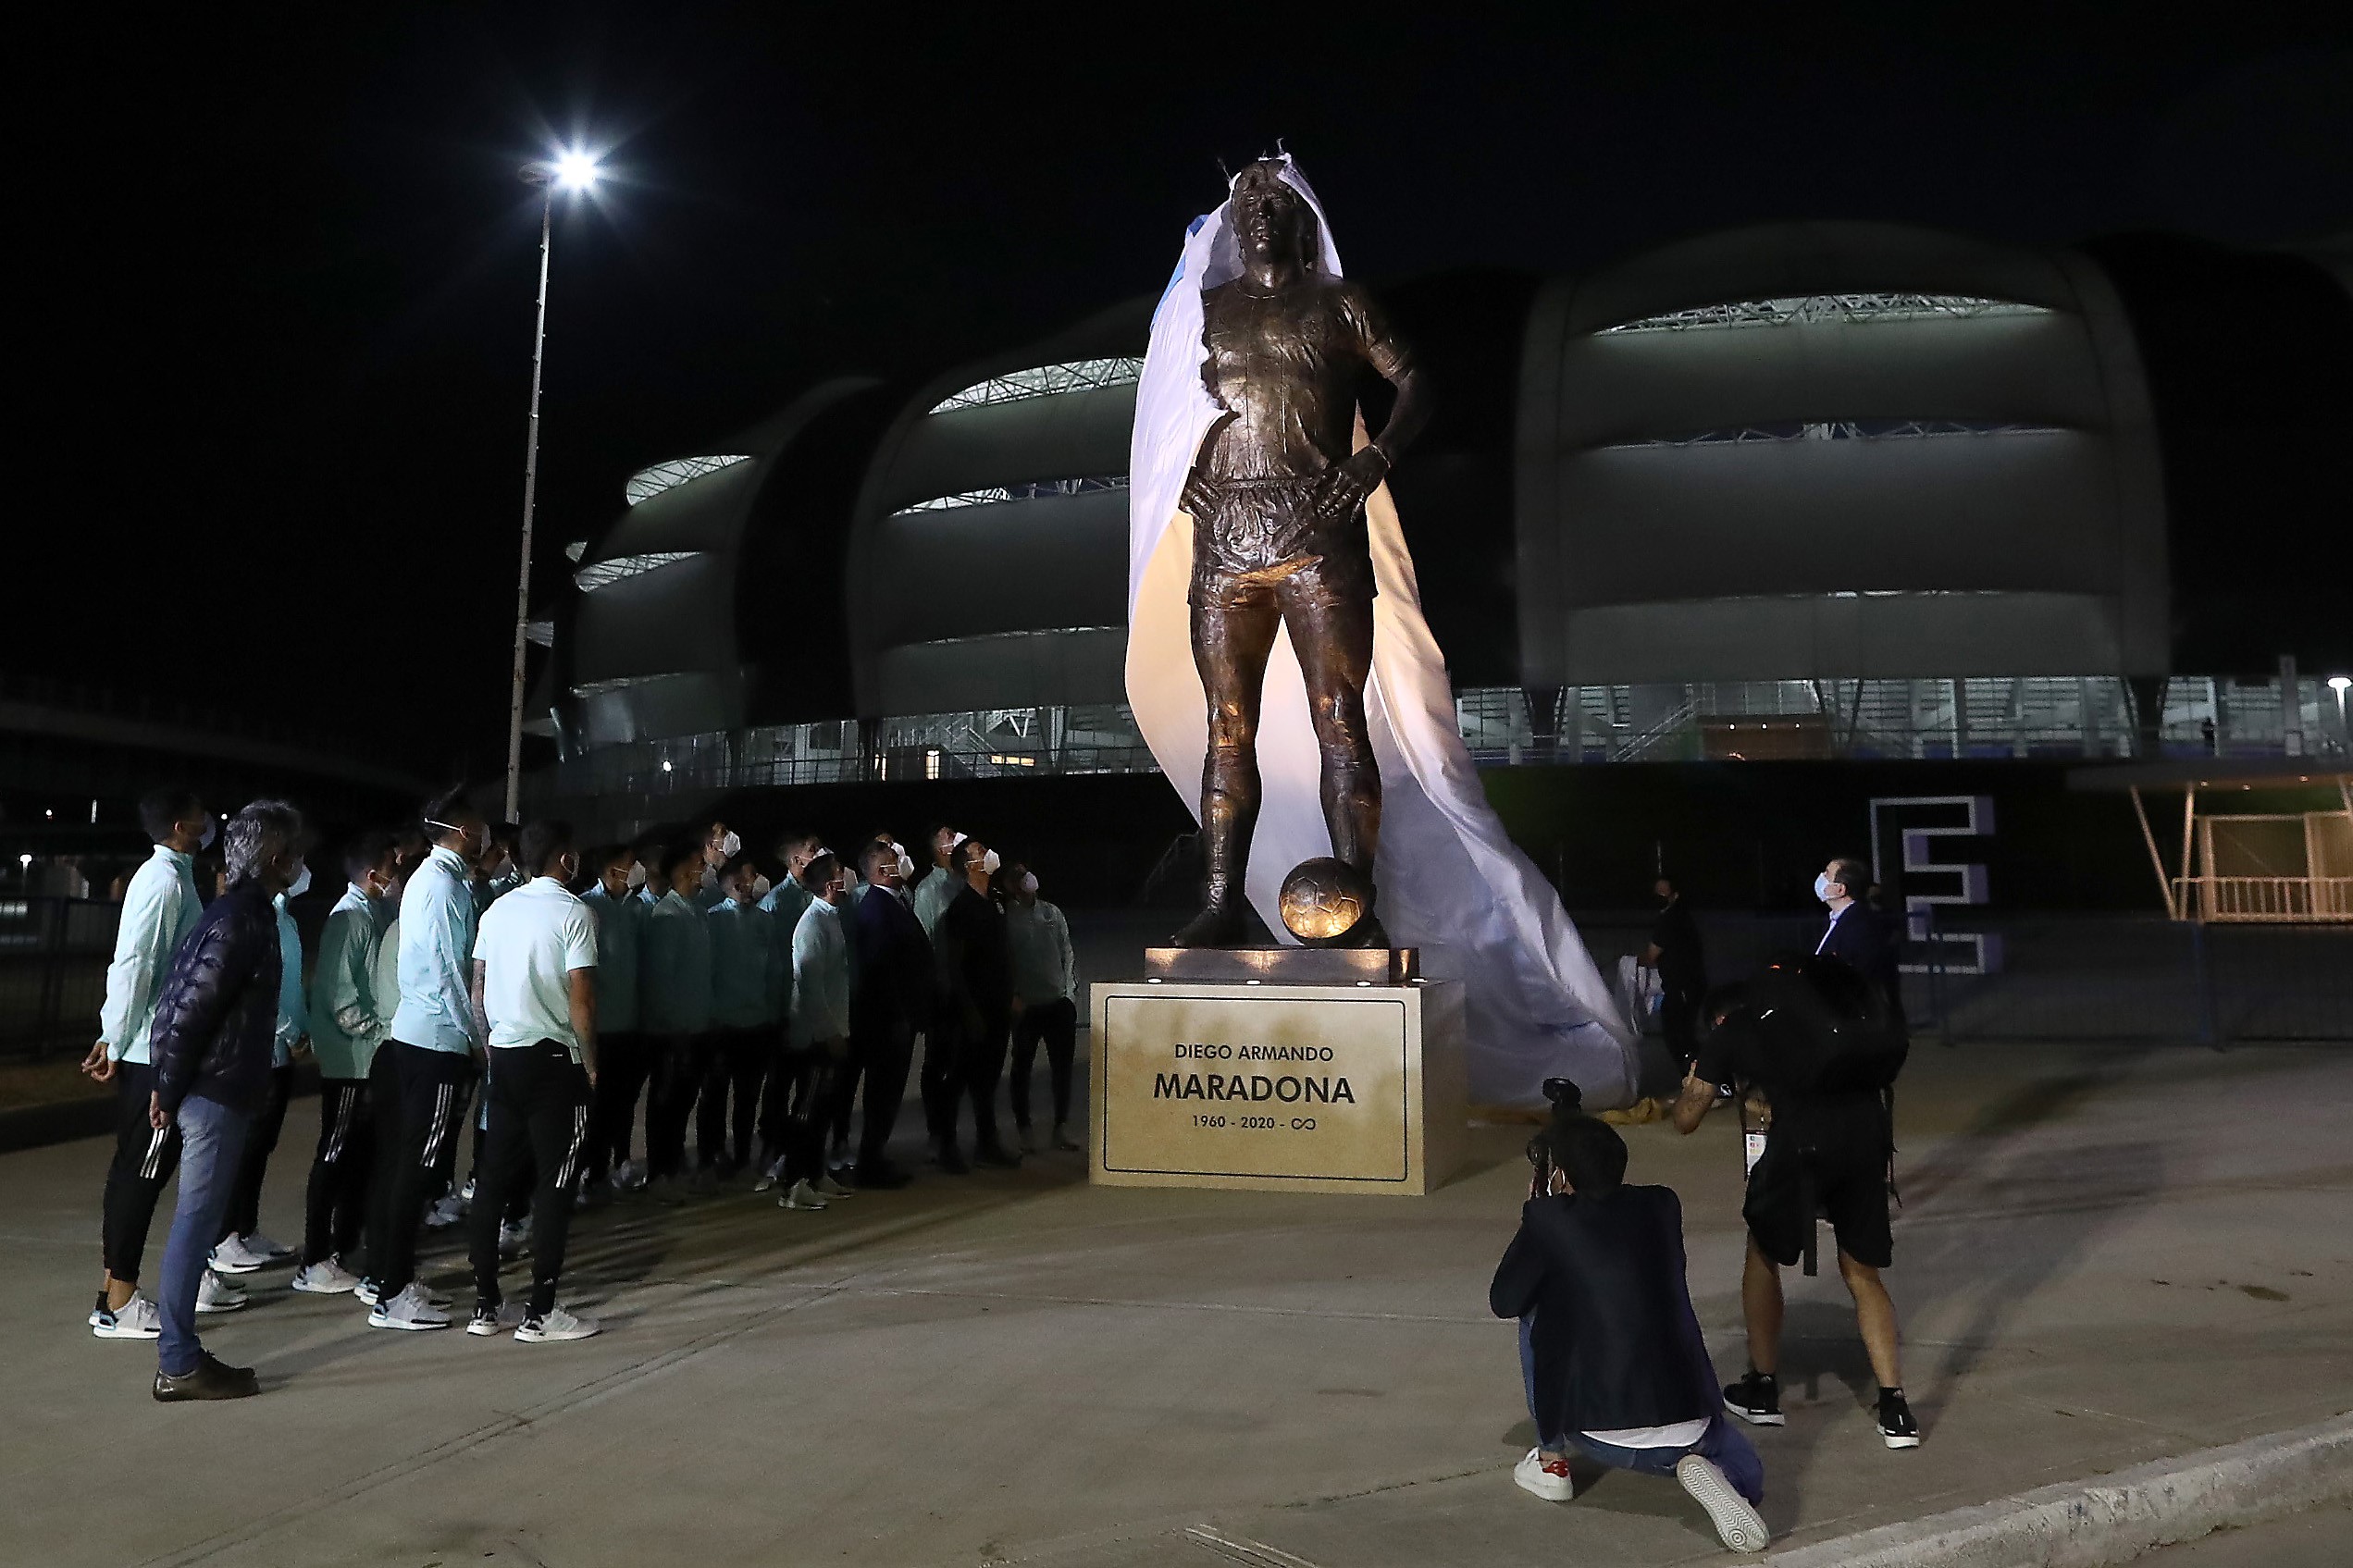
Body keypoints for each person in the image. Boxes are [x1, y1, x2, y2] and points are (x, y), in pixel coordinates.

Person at [1489, 1092, 1768, 1551]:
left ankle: (1552, 1460)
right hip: (1692, 1418)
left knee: (1535, 1306)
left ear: (1558, 1175)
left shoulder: (1548, 1219)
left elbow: (1504, 1299)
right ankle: (1724, 1479)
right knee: (1739, 1462)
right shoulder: (1662, 1205)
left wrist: (1538, 1212)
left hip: (1602, 1436)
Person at [1672, 944, 1918, 1451]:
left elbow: (1686, 1120)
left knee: (1762, 1249)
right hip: (1868, 1133)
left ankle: (1762, 1388)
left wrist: (1693, 1085)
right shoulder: (1809, 1019)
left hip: (1804, 1140)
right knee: (1861, 1272)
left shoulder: (1734, 1029)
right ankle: (1895, 1409)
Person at [145, 799, 307, 1401]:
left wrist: (169, 1080)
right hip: (214, 1091)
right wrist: (168, 1085)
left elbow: (180, 999)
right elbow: (189, 1007)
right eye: (293, 850)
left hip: (215, 1086)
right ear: (273, 857)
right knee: (196, 1220)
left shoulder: (238, 913)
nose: (300, 861)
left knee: (200, 1219)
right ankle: (179, 1360)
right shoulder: (241, 918)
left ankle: (180, 1355)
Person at [85, 787, 243, 1338]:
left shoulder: (172, 877)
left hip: (153, 1046)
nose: (208, 823)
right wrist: (112, 1036)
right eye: (202, 816)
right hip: (153, 1052)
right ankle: (120, 1301)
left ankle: (114, 1291)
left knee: (135, 1170)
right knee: (142, 1174)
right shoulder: (163, 882)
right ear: (181, 824)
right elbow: (135, 962)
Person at [465, 819, 601, 1343]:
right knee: (555, 1182)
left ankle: (485, 1305)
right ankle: (541, 1310)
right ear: (563, 858)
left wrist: (489, 1046)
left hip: (505, 1056)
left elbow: (477, 990)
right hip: (554, 1060)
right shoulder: (574, 913)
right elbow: (582, 999)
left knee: (493, 1180)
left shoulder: (498, 910)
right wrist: (590, 1062)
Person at [365, 790, 492, 1331]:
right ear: (462, 831)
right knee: (417, 1168)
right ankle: (391, 1291)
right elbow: (450, 972)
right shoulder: (441, 886)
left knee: (409, 1165)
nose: (485, 839)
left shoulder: (437, 881)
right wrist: (478, 1039)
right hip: (435, 1041)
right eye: (480, 830)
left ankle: (393, 1279)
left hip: (421, 1037)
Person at [293, 833, 396, 1294]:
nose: (397, 876)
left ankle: (340, 1245)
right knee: (334, 1155)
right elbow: (340, 995)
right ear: (372, 875)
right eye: (392, 869)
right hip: (348, 1060)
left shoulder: (367, 913)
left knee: (357, 1157)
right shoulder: (350, 918)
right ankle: (314, 1258)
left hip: (362, 1058)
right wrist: (377, 1031)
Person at [206, 875, 309, 1274]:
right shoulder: (261, 920)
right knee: (242, 1148)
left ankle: (245, 1229)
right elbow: (266, 986)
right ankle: (224, 1237)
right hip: (259, 1050)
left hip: (279, 1052)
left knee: (260, 1146)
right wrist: (291, 1029)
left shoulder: (283, 917)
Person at [845, 838, 931, 1189]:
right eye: (895, 860)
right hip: (887, 1021)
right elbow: (881, 970)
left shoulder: (893, 902)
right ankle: (870, 1162)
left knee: (888, 1091)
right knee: (884, 1091)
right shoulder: (878, 908)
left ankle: (874, 1156)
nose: (902, 862)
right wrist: (897, 1016)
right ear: (881, 871)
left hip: (897, 1016)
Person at [934, 837, 1019, 1168]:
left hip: (997, 1008)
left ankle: (987, 1143)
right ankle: (947, 1147)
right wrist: (968, 1011)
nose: (988, 854)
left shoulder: (995, 901)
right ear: (968, 866)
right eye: (980, 852)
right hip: (973, 1010)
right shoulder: (960, 909)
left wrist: (1011, 994)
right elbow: (954, 967)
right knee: (957, 1079)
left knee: (987, 1080)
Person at [640, 836, 714, 1203]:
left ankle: (673, 1165)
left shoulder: (697, 910)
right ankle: (659, 1173)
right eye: (701, 862)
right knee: (665, 1104)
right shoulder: (667, 916)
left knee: (683, 1101)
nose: (706, 868)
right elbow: (661, 980)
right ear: (684, 869)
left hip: (697, 1026)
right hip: (673, 1032)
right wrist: (673, 1027)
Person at [781, 850, 854, 1210]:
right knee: (807, 1111)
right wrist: (829, 1032)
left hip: (835, 1029)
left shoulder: (832, 918)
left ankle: (815, 1172)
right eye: (842, 873)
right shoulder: (810, 924)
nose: (848, 877)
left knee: (824, 1110)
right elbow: (810, 987)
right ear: (829, 884)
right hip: (816, 1037)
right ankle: (793, 1184)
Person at [581, 844, 648, 1195]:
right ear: (610, 872)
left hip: (630, 1022)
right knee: (598, 1107)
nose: (636, 870)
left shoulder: (636, 908)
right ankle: (592, 1173)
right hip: (602, 1025)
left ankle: (621, 1161)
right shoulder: (587, 908)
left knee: (625, 1102)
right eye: (628, 865)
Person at [706, 854, 778, 1179]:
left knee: (748, 1096)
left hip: (758, 1022)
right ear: (735, 882)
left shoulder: (764, 921)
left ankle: (743, 1154)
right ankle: (713, 1153)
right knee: (717, 1094)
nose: (757, 881)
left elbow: (775, 972)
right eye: (751, 875)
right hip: (724, 1024)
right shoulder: (713, 920)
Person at [1002, 860, 1081, 1153]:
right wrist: (1013, 996)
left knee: (1062, 1069)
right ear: (1009, 885)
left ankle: (1060, 1127)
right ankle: (1025, 1129)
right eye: (1017, 876)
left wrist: (1069, 995)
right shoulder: (1007, 917)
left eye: (1026, 872)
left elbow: (1067, 952)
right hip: (1027, 1008)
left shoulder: (1051, 912)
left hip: (1057, 1004)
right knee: (1022, 1068)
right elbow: (1005, 961)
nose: (1024, 879)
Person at [754, 832, 819, 1183]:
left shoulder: (816, 896)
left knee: (807, 1085)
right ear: (796, 861)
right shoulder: (776, 902)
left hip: (810, 1008)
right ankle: (772, 1149)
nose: (818, 854)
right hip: (784, 1009)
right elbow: (771, 963)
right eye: (811, 850)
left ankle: (798, 1150)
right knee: (778, 1086)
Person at [1813, 857, 1906, 1038]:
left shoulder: (1860, 928)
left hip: (1850, 1030)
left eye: (1827, 874)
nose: (1821, 877)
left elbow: (1857, 981)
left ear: (1840, 889)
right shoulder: (1837, 920)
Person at [1643, 876, 1708, 1071]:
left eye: (1663, 892)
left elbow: (1652, 955)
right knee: (1682, 1033)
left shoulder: (1670, 919)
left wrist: (1628, 962)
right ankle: (1696, 1076)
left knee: (1678, 1035)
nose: (1659, 896)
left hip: (1683, 986)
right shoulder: (1679, 916)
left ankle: (1698, 1077)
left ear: (1675, 895)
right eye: (1657, 892)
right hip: (1687, 984)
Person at [912, 824, 964, 937]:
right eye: (951, 836)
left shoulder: (967, 879)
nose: (958, 837)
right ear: (942, 849)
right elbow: (924, 937)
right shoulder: (926, 891)